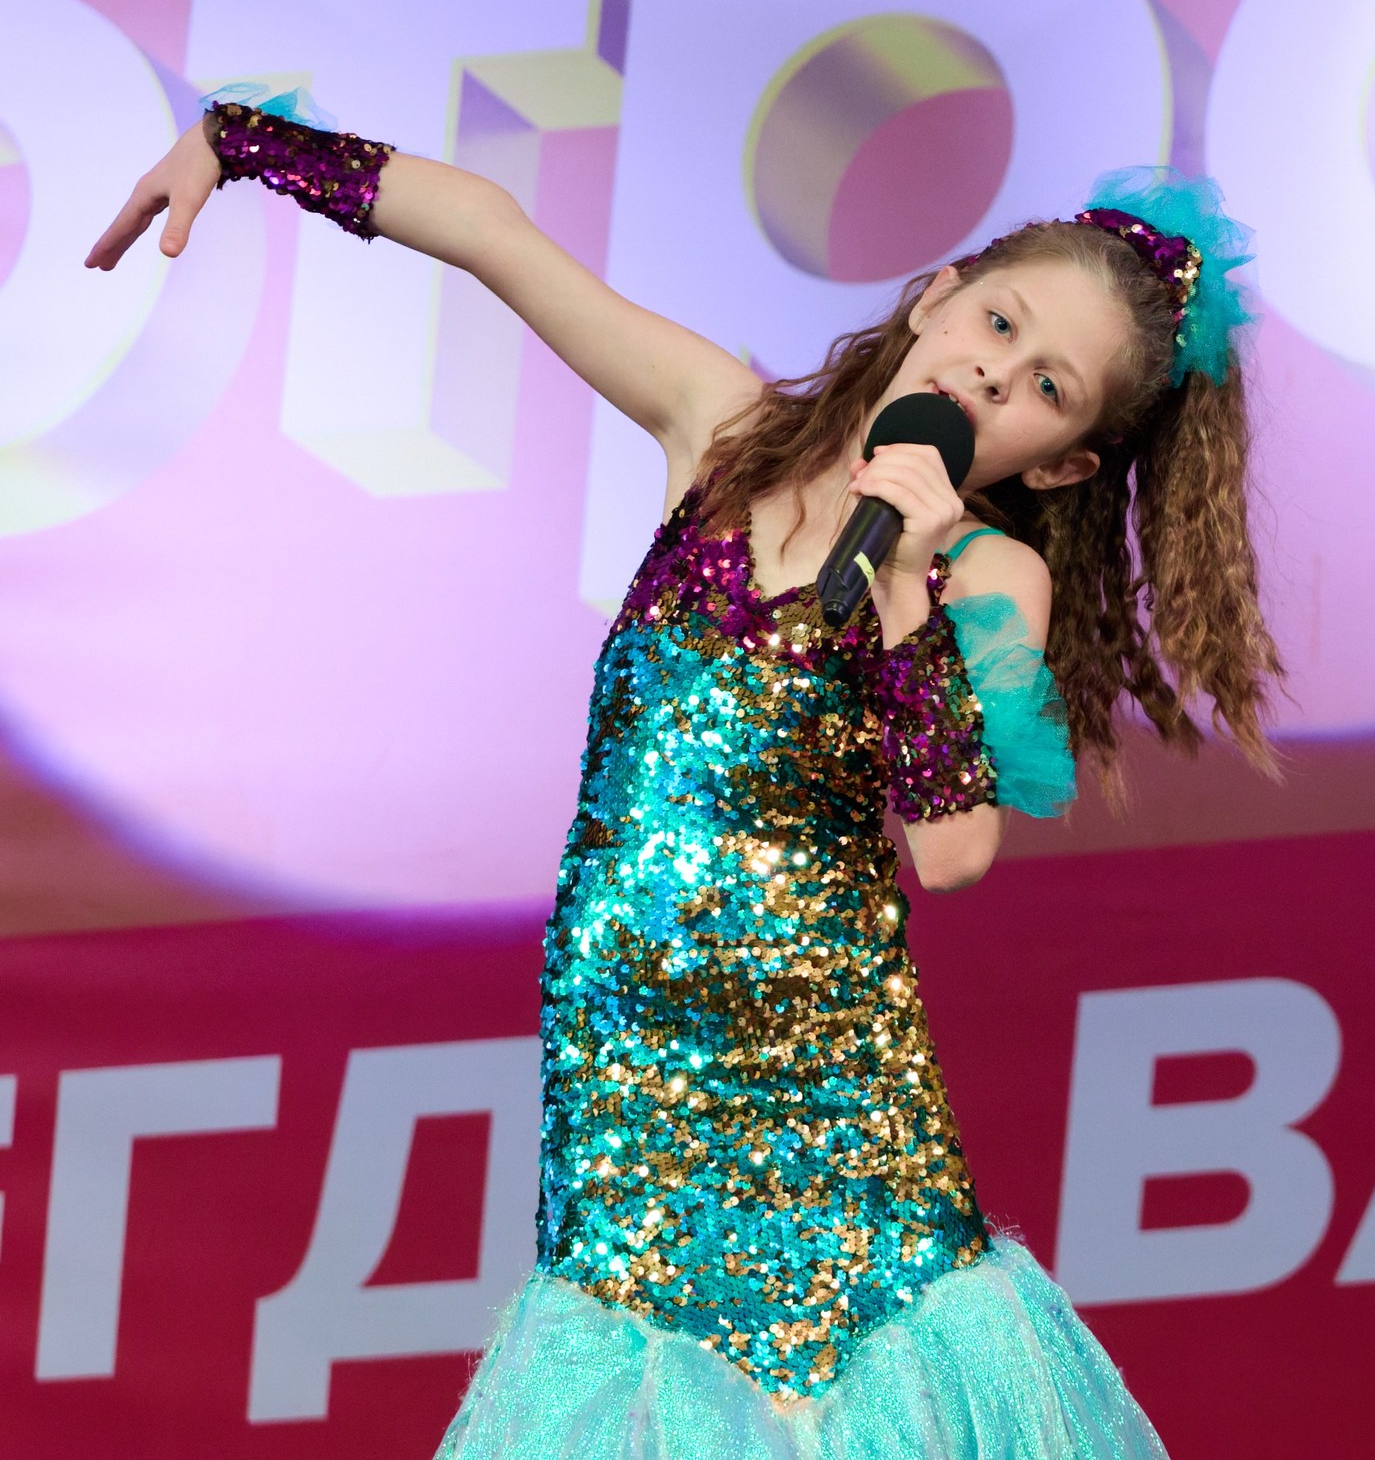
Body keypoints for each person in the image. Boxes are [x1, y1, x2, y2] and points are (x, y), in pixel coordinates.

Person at [90, 95, 1279, 1457]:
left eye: (1047, 388)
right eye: (997, 323)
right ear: (938, 294)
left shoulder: (987, 573)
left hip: (836, 1119)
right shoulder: (724, 431)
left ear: (1062, 464)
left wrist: (905, 581)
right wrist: (243, 144)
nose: (995, 376)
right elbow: (495, 234)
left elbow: (955, 850)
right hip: (627, 1102)